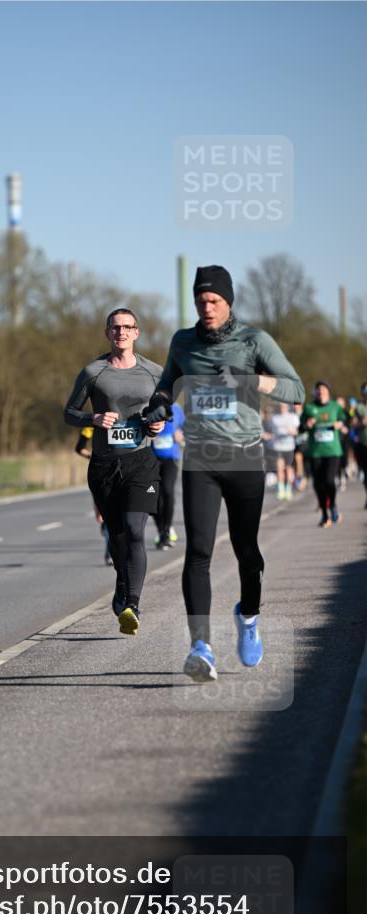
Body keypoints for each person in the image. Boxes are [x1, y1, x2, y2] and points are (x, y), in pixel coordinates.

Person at [155, 265, 304, 682]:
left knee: (247, 552)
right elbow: (168, 384)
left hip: (244, 458)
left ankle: (249, 616)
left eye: (214, 300)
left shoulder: (254, 340)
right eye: (201, 300)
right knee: (198, 550)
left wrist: (251, 379)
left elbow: (297, 389)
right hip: (201, 458)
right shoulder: (183, 342)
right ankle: (200, 646)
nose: (207, 307)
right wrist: (160, 402)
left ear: (228, 301)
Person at [64, 308, 166, 635]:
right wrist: (92, 420)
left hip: (141, 462)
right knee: (117, 537)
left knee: (136, 531)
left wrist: (159, 424)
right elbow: (69, 412)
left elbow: (166, 412)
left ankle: (132, 604)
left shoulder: (154, 372)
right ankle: (122, 587)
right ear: (107, 333)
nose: (121, 332)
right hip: (105, 466)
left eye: (127, 327)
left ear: (137, 332)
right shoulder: (94, 372)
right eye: (115, 327)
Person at [299, 381, 347, 527]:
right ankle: (325, 515)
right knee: (318, 484)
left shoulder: (335, 407)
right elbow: (300, 428)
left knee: (329, 481)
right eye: (318, 391)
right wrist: (307, 425)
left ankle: (332, 505)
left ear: (328, 392)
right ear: (316, 393)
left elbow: (345, 421)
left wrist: (340, 425)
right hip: (315, 452)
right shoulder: (309, 408)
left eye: (323, 390)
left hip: (333, 451)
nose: (321, 393)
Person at [74, 427, 112, 566]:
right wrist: (94, 456)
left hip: (125, 469)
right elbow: (79, 448)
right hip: (101, 471)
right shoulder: (92, 423)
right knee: (107, 517)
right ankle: (111, 552)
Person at [151, 401, 185, 548]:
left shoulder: (176, 408)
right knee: (154, 496)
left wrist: (181, 435)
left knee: (167, 490)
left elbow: (186, 427)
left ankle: (167, 529)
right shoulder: (149, 406)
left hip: (171, 458)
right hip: (152, 459)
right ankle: (161, 530)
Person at [266, 402, 299, 500]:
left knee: (288, 469)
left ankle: (288, 489)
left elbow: (297, 431)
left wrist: (292, 431)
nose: (282, 408)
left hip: (289, 447)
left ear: (288, 407)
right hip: (278, 447)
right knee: (279, 468)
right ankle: (281, 490)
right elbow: (272, 432)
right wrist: (269, 436)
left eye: (284, 406)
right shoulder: (275, 418)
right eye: (280, 406)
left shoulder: (293, 417)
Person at [353, 382, 367, 508]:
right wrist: (361, 423)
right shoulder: (358, 407)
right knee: (366, 474)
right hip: (363, 443)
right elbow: (353, 423)